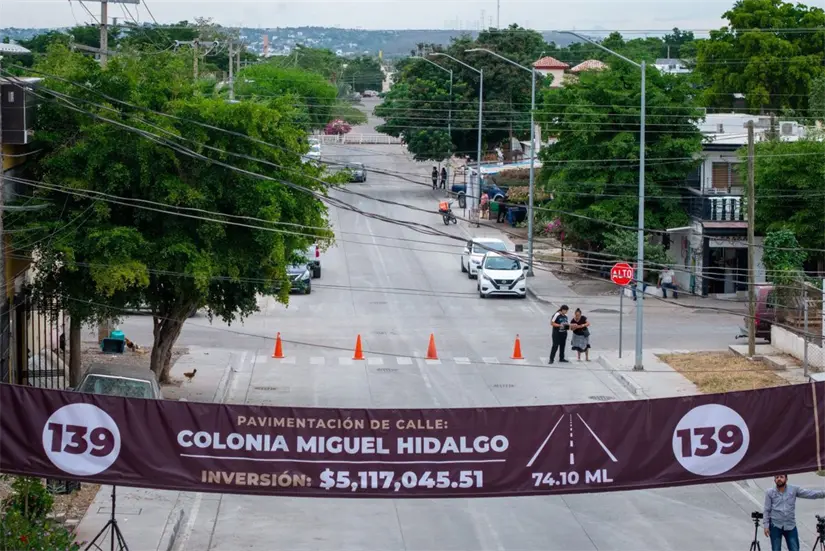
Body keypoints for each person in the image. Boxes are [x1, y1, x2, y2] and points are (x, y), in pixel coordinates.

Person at [764, 473, 825, 551]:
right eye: (777, 477)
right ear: (774, 480)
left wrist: (823, 493)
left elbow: (810, 494)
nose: (779, 479)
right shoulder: (770, 492)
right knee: (776, 549)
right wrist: (766, 526)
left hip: (790, 526)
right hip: (775, 526)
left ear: (786, 479)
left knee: (794, 549)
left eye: (781, 477)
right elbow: (766, 510)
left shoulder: (793, 489)